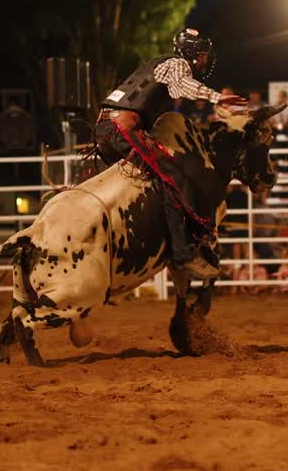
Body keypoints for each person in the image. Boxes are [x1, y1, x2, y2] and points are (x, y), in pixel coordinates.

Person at [92, 28, 248, 282]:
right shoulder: (176, 64)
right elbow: (181, 87)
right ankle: (183, 253)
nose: (203, 62)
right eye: (201, 56)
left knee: (140, 181)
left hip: (105, 130)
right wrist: (216, 97)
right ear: (190, 53)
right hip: (123, 129)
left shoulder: (155, 64)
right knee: (174, 177)